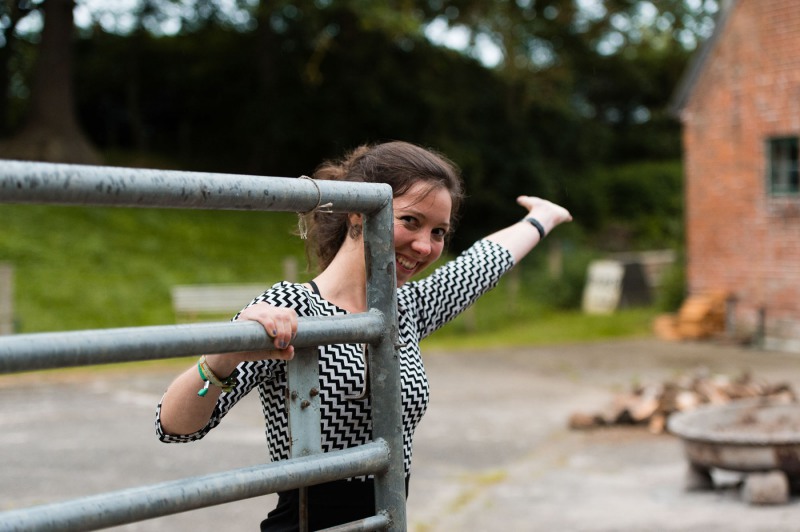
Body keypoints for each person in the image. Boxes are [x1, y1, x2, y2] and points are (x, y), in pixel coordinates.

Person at [156, 141, 572, 530]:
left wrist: (541, 218)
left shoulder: (403, 308)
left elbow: (483, 264)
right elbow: (174, 426)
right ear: (359, 211)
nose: (425, 246)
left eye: (439, 232)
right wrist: (225, 354)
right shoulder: (292, 306)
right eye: (410, 221)